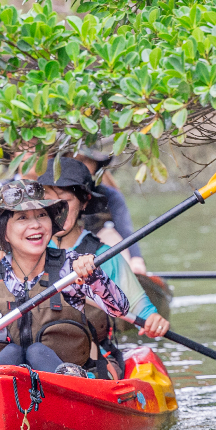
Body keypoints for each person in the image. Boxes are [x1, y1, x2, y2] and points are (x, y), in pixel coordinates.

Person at [0, 180, 131, 377]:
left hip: (70, 385)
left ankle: (65, 378)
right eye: (22, 218)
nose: (36, 225)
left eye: (41, 215)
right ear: (4, 231)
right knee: (12, 352)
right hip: (3, 384)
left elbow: (120, 309)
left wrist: (94, 276)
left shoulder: (70, 267)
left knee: (36, 352)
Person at [38, 157, 169, 378]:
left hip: (91, 360)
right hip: (39, 355)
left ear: (84, 202)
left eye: (65, 201)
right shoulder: (29, 249)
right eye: (48, 201)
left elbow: (140, 310)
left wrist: (154, 320)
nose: (56, 210)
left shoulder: (104, 255)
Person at [74, 142, 146, 276]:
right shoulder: (54, 194)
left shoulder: (110, 195)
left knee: (109, 234)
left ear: (95, 166)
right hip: (69, 251)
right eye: (76, 160)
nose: (80, 166)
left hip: (99, 252)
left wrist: (136, 258)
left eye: (85, 161)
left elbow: (124, 228)